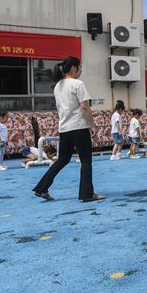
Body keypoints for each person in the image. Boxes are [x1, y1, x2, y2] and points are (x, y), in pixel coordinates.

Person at [32, 56, 104, 202]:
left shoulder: (58, 86)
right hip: (79, 127)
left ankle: (41, 188)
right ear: (73, 68)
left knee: (62, 160)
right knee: (86, 161)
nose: (81, 70)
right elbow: (84, 107)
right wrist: (92, 125)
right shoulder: (78, 84)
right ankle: (87, 194)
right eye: (80, 67)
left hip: (64, 128)